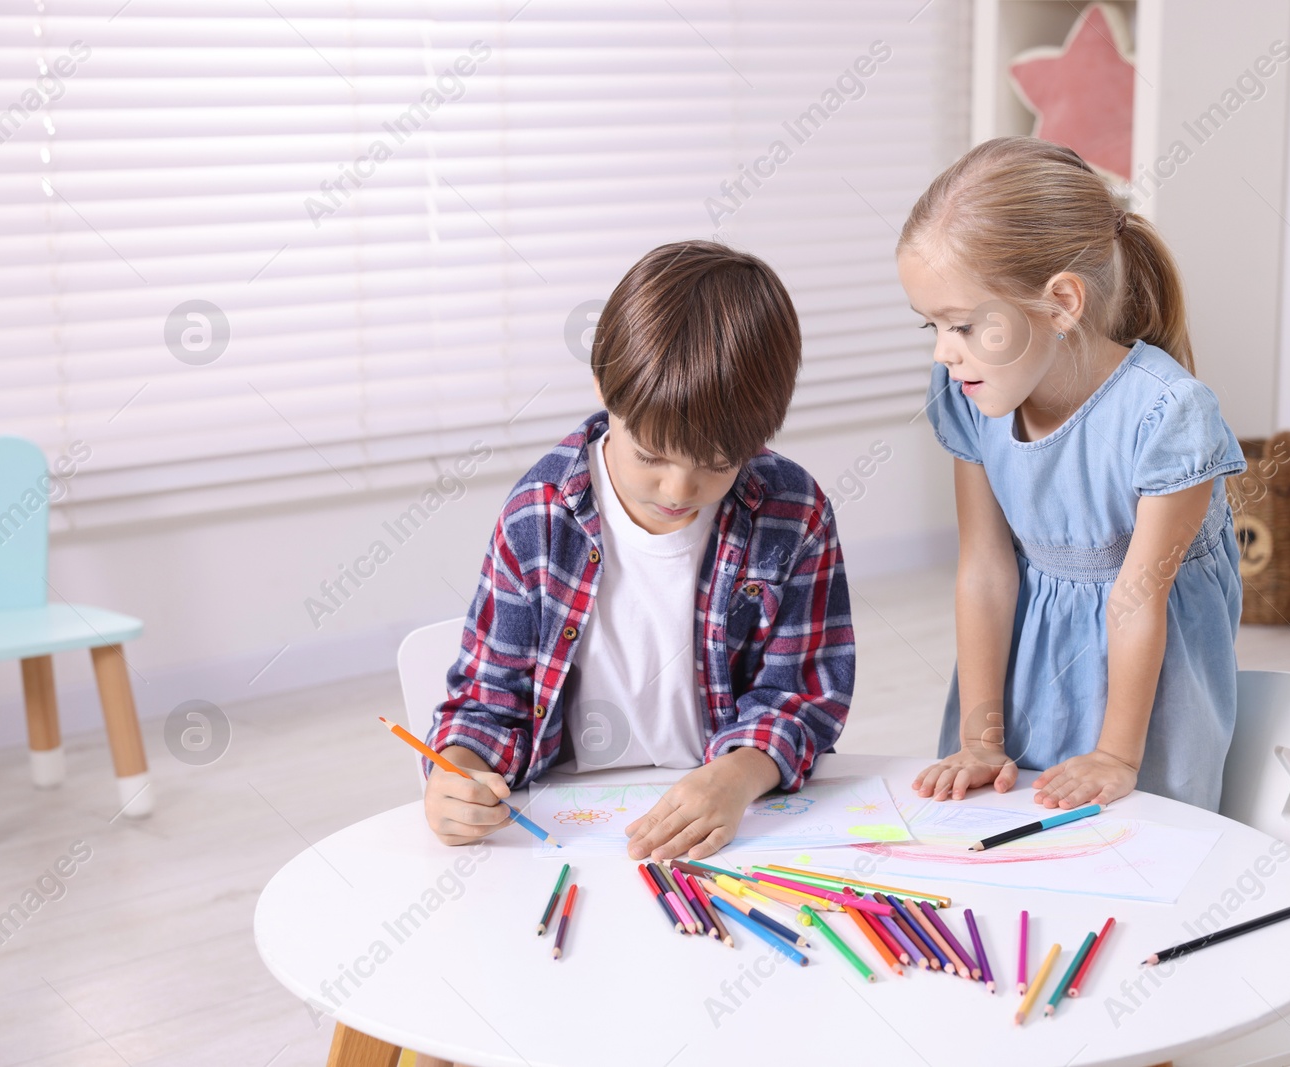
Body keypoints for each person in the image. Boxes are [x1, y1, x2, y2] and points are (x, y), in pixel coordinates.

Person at [422, 240, 854, 860]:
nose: (679, 490)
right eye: (651, 455)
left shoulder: (793, 513)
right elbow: (490, 702)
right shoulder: (540, 516)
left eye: (716, 464)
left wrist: (737, 775)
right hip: (567, 826)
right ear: (605, 387)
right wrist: (455, 771)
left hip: (732, 819)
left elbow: (802, 697)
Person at [899, 137, 1246, 812]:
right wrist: (981, 735)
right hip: (1024, 657)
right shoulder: (969, 394)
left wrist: (1117, 755)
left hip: (1146, 687)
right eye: (933, 326)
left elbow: (1137, 598)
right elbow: (985, 570)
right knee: (1006, 827)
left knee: (1135, 847)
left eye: (965, 325)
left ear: (1061, 303)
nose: (945, 351)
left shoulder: (1168, 414)